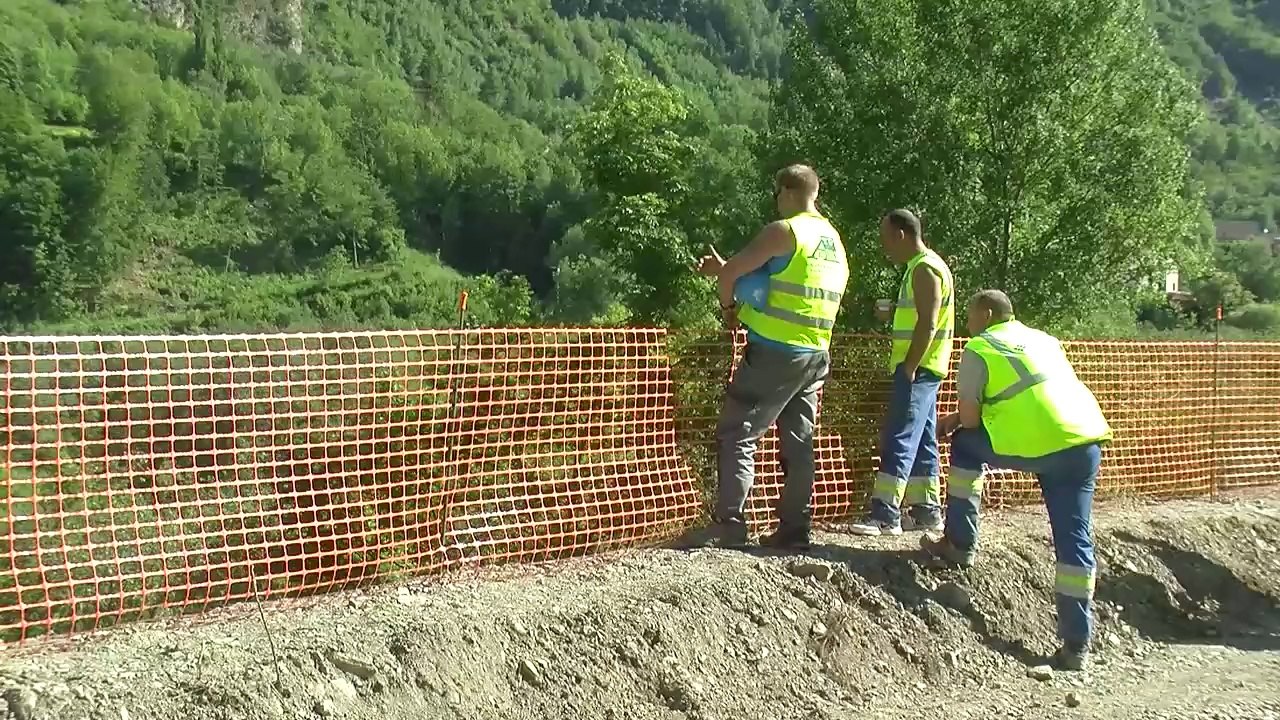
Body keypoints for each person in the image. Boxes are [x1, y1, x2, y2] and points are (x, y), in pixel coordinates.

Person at [926, 289, 1113, 671]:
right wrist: (957, 417)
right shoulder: (1044, 340)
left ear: (989, 313)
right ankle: (1076, 645)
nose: (968, 323)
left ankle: (960, 544)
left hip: (1038, 444)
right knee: (1075, 540)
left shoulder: (980, 347)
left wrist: (954, 423)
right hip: (1084, 442)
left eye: (972, 315)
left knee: (964, 445)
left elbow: (974, 421)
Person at [689, 164, 849, 551]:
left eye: (777, 193)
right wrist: (725, 269)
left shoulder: (785, 230)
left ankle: (730, 524)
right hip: (815, 354)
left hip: (775, 351)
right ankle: (794, 530)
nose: (776, 200)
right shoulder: (832, 240)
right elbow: (786, 282)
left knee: (739, 432)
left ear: (789, 191)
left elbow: (734, 278)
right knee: (799, 444)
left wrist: (729, 309)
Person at [846, 209, 955, 537]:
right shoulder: (925, 267)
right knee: (922, 440)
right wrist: (894, 313)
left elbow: (928, 322)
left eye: (886, 238)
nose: (885, 246)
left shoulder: (924, 269)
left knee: (900, 437)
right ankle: (926, 511)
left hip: (918, 368)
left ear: (901, 235)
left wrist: (909, 366)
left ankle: (885, 515)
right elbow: (922, 315)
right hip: (926, 367)